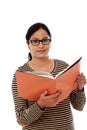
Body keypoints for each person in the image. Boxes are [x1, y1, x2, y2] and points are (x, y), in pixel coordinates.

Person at [12, 22, 86, 130]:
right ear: (28, 44)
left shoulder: (64, 67)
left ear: (50, 42)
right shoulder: (21, 75)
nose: (41, 45)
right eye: (35, 41)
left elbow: (79, 106)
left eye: (45, 40)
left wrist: (80, 88)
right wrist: (40, 104)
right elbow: (21, 119)